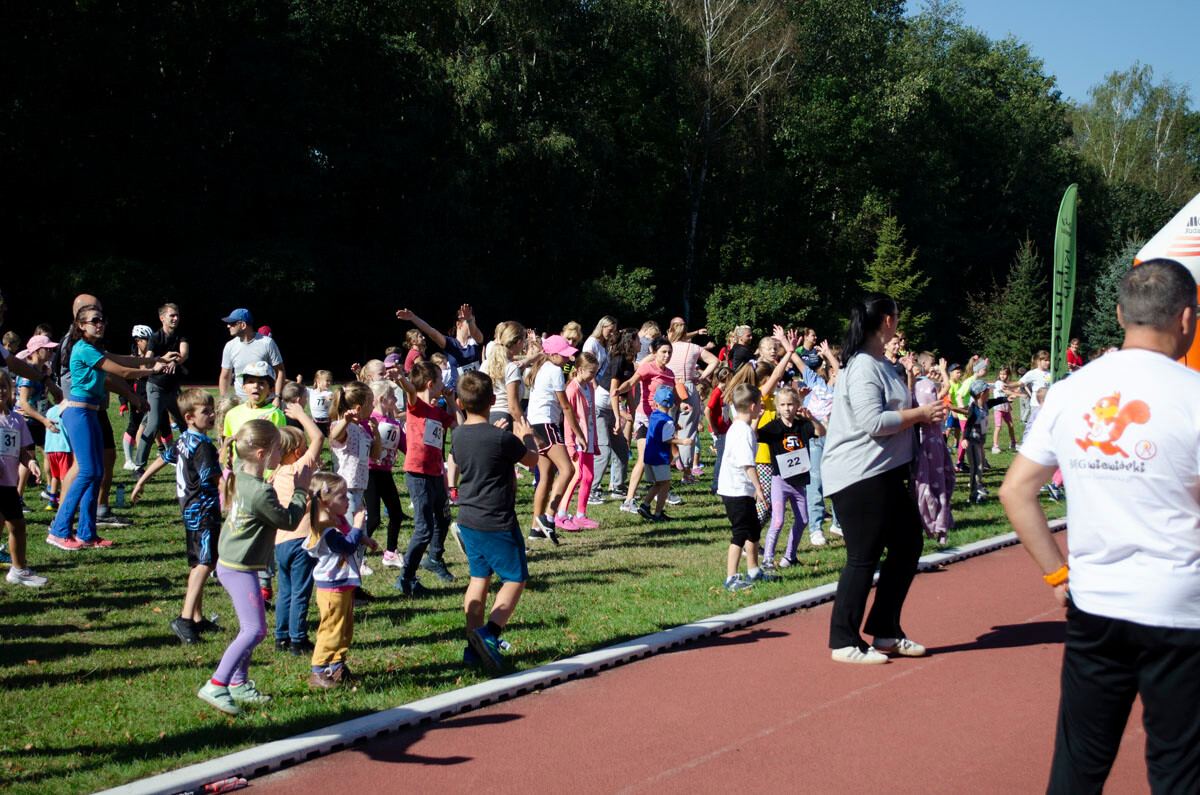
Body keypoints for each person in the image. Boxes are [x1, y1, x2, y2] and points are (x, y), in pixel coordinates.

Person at [999, 259, 1200, 793]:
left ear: (1119, 315)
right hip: (1180, 607)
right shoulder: (1194, 394)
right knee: (1180, 768)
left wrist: (1057, 576)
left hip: (1095, 603)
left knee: (1079, 765)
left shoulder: (1070, 391)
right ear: (1186, 318)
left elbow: (1015, 490)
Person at [822, 293, 945, 664]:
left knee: (907, 545)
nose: (899, 324)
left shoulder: (880, 364)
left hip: (885, 473)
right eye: (897, 317)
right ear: (887, 321)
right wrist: (921, 414)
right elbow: (873, 422)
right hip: (859, 474)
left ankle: (886, 631)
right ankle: (844, 641)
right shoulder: (862, 366)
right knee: (863, 557)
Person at [198, 419, 310, 716]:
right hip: (239, 567)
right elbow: (288, 521)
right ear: (261, 454)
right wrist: (301, 490)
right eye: (277, 449)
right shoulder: (260, 492)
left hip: (234, 562)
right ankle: (216, 684)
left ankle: (238, 683)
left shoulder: (242, 473)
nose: (281, 454)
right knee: (255, 629)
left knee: (251, 627)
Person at [47, 304, 169, 550]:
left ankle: (87, 533)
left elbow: (123, 359)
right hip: (78, 413)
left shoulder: (94, 349)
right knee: (88, 471)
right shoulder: (83, 348)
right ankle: (58, 530)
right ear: (81, 325)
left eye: (102, 319)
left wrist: (155, 358)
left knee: (96, 472)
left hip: (90, 412)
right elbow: (122, 370)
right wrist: (152, 369)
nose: (100, 324)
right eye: (94, 320)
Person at [451, 370, 540, 673]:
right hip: (497, 520)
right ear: (492, 400)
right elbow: (531, 460)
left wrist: (499, 435)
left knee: (479, 578)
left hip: (468, 518)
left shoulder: (458, 434)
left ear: (460, 402)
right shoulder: (502, 438)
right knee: (515, 578)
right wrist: (526, 436)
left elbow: (480, 451)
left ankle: (472, 646)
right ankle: (489, 634)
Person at [130, 388, 223, 644]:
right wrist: (238, 497)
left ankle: (197, 617)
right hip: (204, 511)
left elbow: (163, 458)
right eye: (206, 411)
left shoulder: (184, 439)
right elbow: (215, 479)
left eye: (212, 410)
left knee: (198, 563)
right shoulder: (203, 445)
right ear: (190, 417)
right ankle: (184, 619)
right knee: (205, 563)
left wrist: (141, 481)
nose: (212, 415)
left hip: (189, 511)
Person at [305, 472, 378, 689]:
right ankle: (319, 670)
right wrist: (358, 526)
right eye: (342, 497)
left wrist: (363, 538)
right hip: (332, 588)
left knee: (345, 628)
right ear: (326, 501)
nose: (348, 500)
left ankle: (336, 665)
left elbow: (348, 537)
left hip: (344, 584)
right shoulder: (325, 527)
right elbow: (345, 546)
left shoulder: (337, 520)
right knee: (332, 629)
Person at [391, 360, 457, 595]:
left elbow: (458, 426)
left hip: (436, 473)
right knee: (424, 529)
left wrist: (451, 401)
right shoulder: (416, 406)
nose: (444, 384)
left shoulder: (437, 411)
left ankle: (434, 559)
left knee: (444, 518)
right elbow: (410, 390)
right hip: (418, 474)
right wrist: (401, 378)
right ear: (431, 384)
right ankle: (405, 578)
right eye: (440, 380)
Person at [270, 405, 325, 655]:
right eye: (304, 447)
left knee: (285, 591)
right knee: (301, 592)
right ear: (297, 452)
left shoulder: (275, 474)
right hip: (302, 540)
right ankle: (298, 639)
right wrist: (302, 415)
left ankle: (281, 637)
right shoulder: (299, 468)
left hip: (280, 542)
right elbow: (319, 437)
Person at [716, 383, 778, 591]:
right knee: (740, 533)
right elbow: (747, 463)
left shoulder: (740, 427)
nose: (761, 406)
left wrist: (757, 418)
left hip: (741, 489)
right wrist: (759, 488)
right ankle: (731, 577)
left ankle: (753, 570)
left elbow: (750, 435)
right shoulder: (742, 431)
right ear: (752, 406)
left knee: (753, 530)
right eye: (759, 403)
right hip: (737, 491)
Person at [524, 334, 583, 542]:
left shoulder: (541, 367)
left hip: (534, 424)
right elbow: (565, 406)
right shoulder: (555, 370)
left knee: (546, 477)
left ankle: (535, 529)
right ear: (552, 354)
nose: (567, 359)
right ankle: (549, 517)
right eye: (563, 355)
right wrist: (579, 434)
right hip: (546, 424)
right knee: (568, 470)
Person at [758, 385, 824, 567]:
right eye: (783, 405)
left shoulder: (803, 426)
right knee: (778, 521)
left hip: (799, 483)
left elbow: (821, 432)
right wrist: (757, 418)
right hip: (780, 481)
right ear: (777, 407)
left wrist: (812, 418)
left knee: (803, 520)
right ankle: (768, 559)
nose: (787, 408)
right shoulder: (773, 427)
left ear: (797, 405)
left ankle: (789, 557)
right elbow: (755, 435)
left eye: (790, 404)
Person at [615, 337, 677, 514]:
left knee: (664, 457)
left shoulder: (670, 373)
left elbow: (674, 396)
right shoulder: (648, 367)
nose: (667, 355)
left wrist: (683, 404)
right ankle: (628, 501)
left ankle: (661, 489)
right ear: (654, 352)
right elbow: (631, 382)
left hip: (661, 421)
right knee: (643, 458)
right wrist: (620, 390)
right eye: (663, 352)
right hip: (645, 418)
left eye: (669, 352)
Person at [0, 372, 48, 586]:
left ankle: (18, 570)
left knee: (18, 526)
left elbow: (22, 452)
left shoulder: (16, 420)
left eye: (4, 386)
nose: (1, 391)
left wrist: (32, 463)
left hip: (8, 484)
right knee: (15, 525)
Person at [134, 303, 189, 472]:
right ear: (162, 318)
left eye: (177, 315)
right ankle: (139, 466)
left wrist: (175, 362)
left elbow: (184, 354)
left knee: (185, 423)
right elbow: (147, 361)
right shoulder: (155, 337)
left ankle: (190, 458)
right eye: (172, 315)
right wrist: (162, 359)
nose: (175, 318)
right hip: (156, 387)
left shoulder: (180, 335)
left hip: (173, 388)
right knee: (153, 425)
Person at [665, 318, 719, 482]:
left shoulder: (666, 348)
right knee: (687, 431)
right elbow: (715, 361)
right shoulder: (694, 348)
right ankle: (687, 473)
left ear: (671, 331)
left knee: (665, 428)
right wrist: (701, 377)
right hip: (687, 387)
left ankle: (664, 469)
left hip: (668, 387)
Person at [328, 381, 381, 530]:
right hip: (346, 489)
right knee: (350, 532)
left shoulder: (361, 430)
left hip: (359, 489)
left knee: (359, 532)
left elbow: (376, 455)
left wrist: (376, 433)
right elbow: (335, 435)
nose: (373, 407)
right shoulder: (342, 426)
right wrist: (346, 421)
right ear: (359, 408)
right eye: (371, 403)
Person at [637, 386, 693, 522]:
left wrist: (673, 427)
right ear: (672, 405)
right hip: (660, 457)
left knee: (657, 484)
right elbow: (667, 439)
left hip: (649, 456)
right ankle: (658, 514)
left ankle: (645, 506)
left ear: (655, 403)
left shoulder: (654, 415)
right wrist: (683, 441)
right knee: (665, 485)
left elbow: (659, 431)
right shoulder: (667, 420)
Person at [558, 351, 600, 530]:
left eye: (596, 372)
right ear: (580, 369)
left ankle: (580, 515)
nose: (594, 375)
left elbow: (590, 416)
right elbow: (568, 420)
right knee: (577, 475)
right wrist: (570, 444)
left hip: (588, 439)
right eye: (591, 372)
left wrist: (594, 440)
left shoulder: (589, 387)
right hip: (576, 440)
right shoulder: (572, 389)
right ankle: (560, 513)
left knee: (589, 476)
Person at [366, 381, 406, 568]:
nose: (396, 400)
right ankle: (355, 554)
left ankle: (390, 552)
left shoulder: (393, 424)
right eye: (393, 396)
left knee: (396, 514)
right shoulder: (369, 420)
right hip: (370, 473)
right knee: (373, 519)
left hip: (386, 473)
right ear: (382, 399)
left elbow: (404, 445)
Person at [219, 308, 285, 405]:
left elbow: (279, 371)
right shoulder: (230, 346)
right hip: (242, 403)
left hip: (266, 401)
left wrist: (278, 397)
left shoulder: (267, 343)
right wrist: (223, 401)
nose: (228, 326)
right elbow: (225, 377)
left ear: (243, 325)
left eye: (232, 323)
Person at [962, 380, 1007, 504]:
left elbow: (995, 401)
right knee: (976, 468)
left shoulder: (985, 404)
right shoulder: (974, 409)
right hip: (972, 442)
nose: (990, 393)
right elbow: (968, 424)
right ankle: (973, 495)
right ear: (982, 394)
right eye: (988, 391)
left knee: (980, 467)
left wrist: (1006, 399)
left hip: (980, 442)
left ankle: (976, 492)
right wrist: (965, 438)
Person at [1018, 350, 1053, 444]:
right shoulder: (1033, 373)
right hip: (1036, 405)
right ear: (1038, 361)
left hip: (1048, 405)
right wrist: (1009, 386)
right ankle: (1028, 443)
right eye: (1045, 360)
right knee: (1035, 427)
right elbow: (1020, 383)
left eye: (1049, 360)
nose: (1048, 362)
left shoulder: (1051, 373)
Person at [991, 365, 1019, 453]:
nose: (1002, 376)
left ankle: (1013, 443)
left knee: (1011, 425)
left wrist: (1014, 394)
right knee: (998, 426)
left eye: (1004, 374)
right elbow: (1006, 391)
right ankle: (995, 446)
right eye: (1001, 374)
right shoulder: (998, 383)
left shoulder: (1006, 384)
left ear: (1008, 375)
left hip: (1006, 408)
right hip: (998, 408)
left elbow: (1007, 394)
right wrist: (1016, 393)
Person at [308, 369, 334, 439]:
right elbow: (299, 388)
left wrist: (330, 398)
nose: (329, 383)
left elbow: (330, 396)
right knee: (317, 438)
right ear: (318, 381)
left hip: (326, 421)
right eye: (327, 381)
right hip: (315, 421)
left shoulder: (328, 392)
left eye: (330, 381)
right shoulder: (311, 392)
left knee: (331, 438)